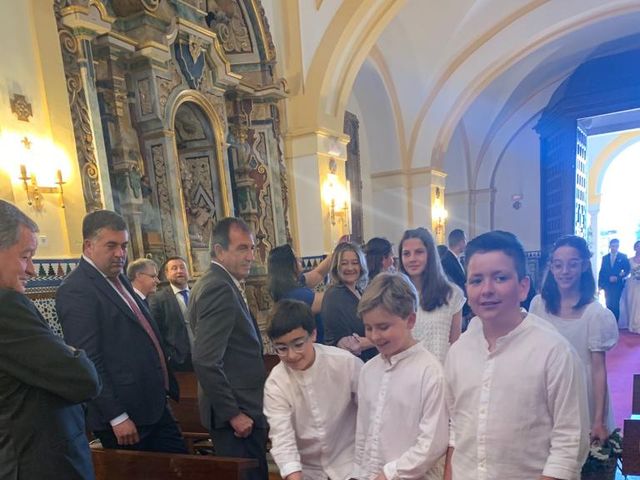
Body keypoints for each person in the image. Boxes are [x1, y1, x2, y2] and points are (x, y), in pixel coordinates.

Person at [444, 231, 589, 480]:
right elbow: (456, 429)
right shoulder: (459, 351)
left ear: (523, 287)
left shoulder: (553, 351)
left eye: (499, 278)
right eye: (476, 280)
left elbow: (569, 445)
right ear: (466, 288)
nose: (486, 290)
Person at [56, 210, 187, 453]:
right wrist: (116, 416)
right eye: (111, 246)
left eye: (124, 246)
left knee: (182, 469)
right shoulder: (77, 289)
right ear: (89, 245)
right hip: (125, 417)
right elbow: (88, 359)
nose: (120, 254)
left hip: (152, 405)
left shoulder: (117, 278)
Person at [0, 200, 101, 479]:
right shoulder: (6, 306)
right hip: (39, 464)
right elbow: (83, 379)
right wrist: (73, 353)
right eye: (25, 255)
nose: (32, 269)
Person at [188, 217, 268, 480]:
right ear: (220, 252)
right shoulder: (218, 288)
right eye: (242, 248)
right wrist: (234, 414)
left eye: (252, 248)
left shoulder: (217, 282)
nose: (250, 256)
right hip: (236, 417)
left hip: (241, 409)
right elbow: (205, 360)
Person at [353, 273, 449, 480]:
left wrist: (390, 473)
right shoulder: (368, 371)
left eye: (383, 327)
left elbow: (433, 443)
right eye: (368, 328)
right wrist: (359, 473)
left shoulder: (429, 372)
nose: (375, 336)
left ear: (410, 320)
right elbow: (363, 434)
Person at [530, 235, 618, 445]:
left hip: (581, 390)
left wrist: (598, 420)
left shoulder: (595, 314)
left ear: (585, 266)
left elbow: (598, 369)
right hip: (546, 386)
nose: (565, 271)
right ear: (551, 268)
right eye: (558, 265)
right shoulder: (539, 305)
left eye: (572, 264)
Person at [264, 299, 362, 480]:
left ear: (313, 334)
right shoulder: (276, 383)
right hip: (308, 470)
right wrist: (293, 474)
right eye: (282, 348)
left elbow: (370, 412)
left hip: (350, 465)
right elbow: (282, 436)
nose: (292, 355)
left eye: (298, 344)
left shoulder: (345, 363)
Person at [398, 227, 464, 363]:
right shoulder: (395, 295)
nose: (412, 259)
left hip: (441, 373)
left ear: (430, 255)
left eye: (419, 252)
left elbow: (455, 345)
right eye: (406, 254)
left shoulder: (452, 294)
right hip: (407, 373)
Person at [321, 242, 376, 361]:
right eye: (344, 263)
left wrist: (370, 341)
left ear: (361, 266)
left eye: (355, 263)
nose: (350, 268)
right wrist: (379, 340)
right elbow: (350, 346)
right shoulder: (334, 295)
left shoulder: (360, 291)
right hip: (348, 366)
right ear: (336, 267)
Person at [267, 244, 332, 343]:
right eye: (296, 258)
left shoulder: (291, 283)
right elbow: (330, 299)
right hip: (315, 344)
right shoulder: (294, 295)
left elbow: (318, 273)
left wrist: (337, 253)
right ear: (288, 264)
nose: (300, 260)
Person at [150, 256, 193, 371]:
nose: (179, 271)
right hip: (178, 361)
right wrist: (169, 355)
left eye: (182, 267)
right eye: (174, 268)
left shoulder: (199, 293)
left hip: (205, 357)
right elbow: (156, 331)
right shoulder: (158, 299)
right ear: (167, 274)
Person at [598, 238, 630, 321]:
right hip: (607, 284)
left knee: (615, 304)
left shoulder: (623, 257)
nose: (614, 248)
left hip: (617, 284)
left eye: (616, 246)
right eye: (613, 246)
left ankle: (615, 323)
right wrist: (600, 285)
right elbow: (602, 271)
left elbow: (627, 270)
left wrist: (618, 277)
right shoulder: (605, 258)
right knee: (608, 304)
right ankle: (608, 322)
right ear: (610, 246)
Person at [621, 240, 640, 332]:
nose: (639, 248)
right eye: (637, 246)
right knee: (632, 303)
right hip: (632, 283)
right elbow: (626, 272)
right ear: (635, 248)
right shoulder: (630, 260)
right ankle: (632, 324)